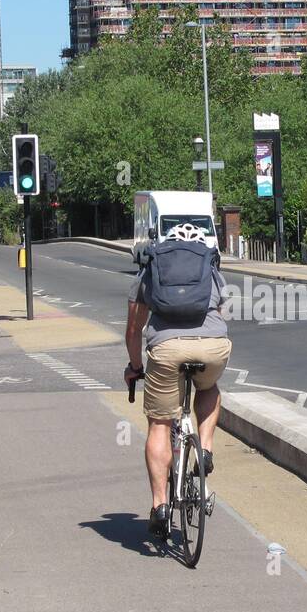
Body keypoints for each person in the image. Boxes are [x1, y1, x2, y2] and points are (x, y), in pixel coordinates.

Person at [124, 224, 231, 541]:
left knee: (160, 422)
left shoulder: (151, 270)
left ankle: (159, 505)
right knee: (208, 387)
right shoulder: (210, 269)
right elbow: (222, 312)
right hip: (213, 346)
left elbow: (134, 330)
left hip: (167, 349)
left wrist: (135, 366)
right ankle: (206, 448)